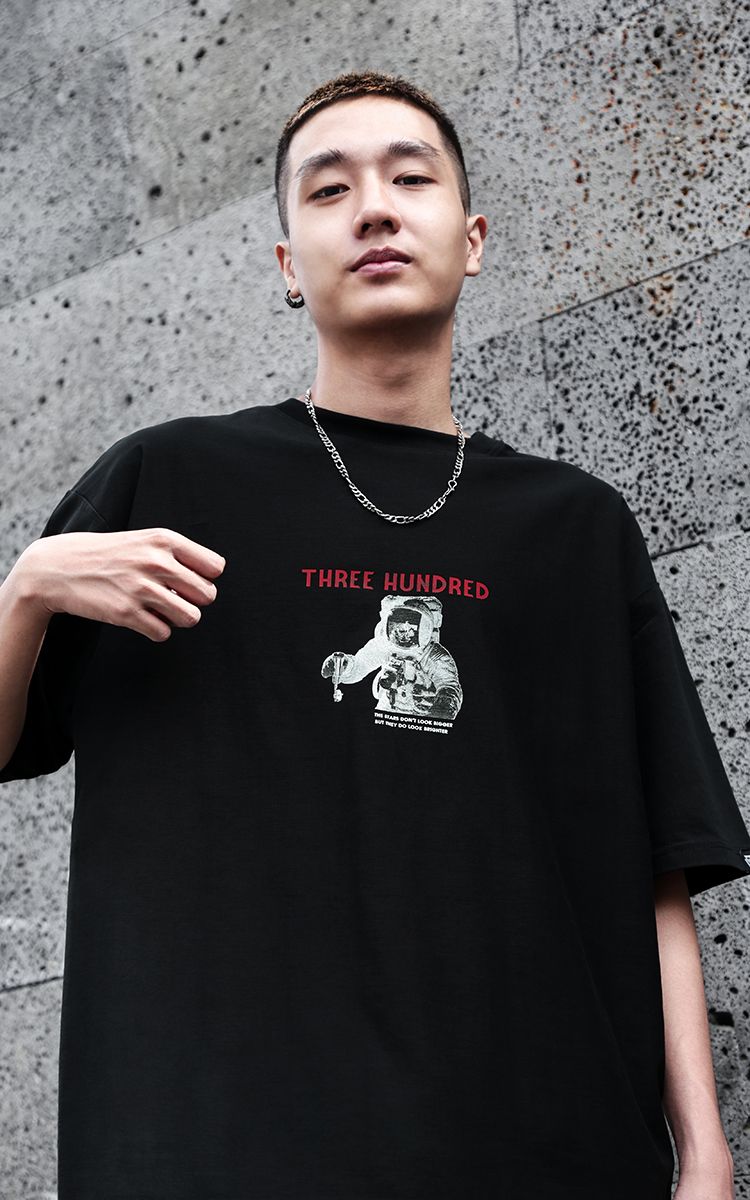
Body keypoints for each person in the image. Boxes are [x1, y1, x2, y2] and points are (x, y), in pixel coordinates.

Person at [1, 68, 748, 1200]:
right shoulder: (170, 480)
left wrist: (707, 1152)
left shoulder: (576, 530)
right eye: (329, 188)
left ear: (473, 239)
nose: (375, 210)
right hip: (219, 1147)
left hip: (545, 1144)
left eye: (411, 177)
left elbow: (660, 861)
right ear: (287, 264)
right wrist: (26, 591)